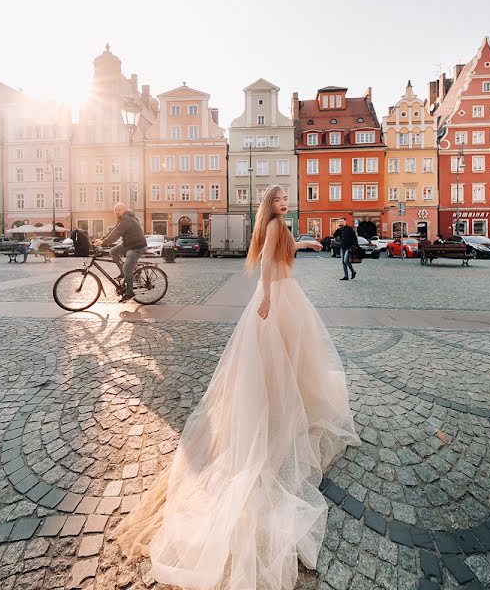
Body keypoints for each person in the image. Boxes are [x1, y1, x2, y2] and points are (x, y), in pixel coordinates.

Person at [115, 185, 360, 589]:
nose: (285, 204)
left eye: (286, 200)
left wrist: (309, 242)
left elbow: (280, 250)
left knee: (283, 356)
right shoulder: (277, 224)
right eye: (280, 200)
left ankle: (285, 396)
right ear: (271, 205)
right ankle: (287, 402)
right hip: (279, 298)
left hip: (278, 297)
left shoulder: (275, 226)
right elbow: (267, 261)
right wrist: (265, 296)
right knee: (291, 353)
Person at [101, 203, 147, 302]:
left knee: (127, 268)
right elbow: (114, 230)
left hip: (137, 246)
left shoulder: (127, 219)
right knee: (113, 252)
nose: (117, 212)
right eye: (115, 210)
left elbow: (117, 233)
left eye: (119, 209)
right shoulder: (123, 219)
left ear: (124, 210)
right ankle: (123, 273)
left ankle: (130, 293)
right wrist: (102, 239)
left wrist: (104, 242)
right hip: (129, 244)